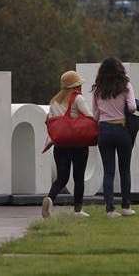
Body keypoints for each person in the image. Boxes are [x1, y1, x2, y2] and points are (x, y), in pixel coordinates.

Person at [42, 70, 92, 219]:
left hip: (60, 145)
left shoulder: (54, 101)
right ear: (75, 86)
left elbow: (50, 121)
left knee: (62, 178)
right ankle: (77, 210)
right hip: (78, 144)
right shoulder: (78, 98)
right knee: (78, 177)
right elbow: (89, 117)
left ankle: (50, 198)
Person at [91, 57, 136, 218]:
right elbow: (132, 107)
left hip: (104, 130)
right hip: (121, 129)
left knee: (108, 171)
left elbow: (95, 115)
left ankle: (110, 209)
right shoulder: (126, 86)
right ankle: (126, 206)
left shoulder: (98, 89)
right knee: (124, 170)